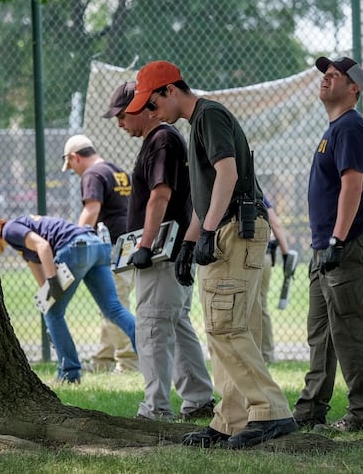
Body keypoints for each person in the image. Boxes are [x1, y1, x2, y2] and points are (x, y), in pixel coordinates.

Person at [126, 60, 297, 449]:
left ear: (170, 90)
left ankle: (271, 412)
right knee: (226, 329)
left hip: (235, 230)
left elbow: (228, 174)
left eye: (152, 104)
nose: (152, 115)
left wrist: (207, 232)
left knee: (227, 328)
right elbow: (205, 199)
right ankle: (230, 419)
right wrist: (188, 243)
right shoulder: (196, 124)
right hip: (222, 228)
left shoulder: (208, 116)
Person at [102, 81, 214, 421]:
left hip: (161, 252)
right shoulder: (165, 139)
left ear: (140, 108)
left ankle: (155, 410)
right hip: (173, 251)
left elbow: (160, 193)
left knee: (151, 328)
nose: (120, 123)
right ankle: (197, 400)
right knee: (177, 325)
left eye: (122, 115)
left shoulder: (161, 139)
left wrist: (145, 245)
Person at [292, 56, 363, 433]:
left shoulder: (349, 128)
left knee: (348, 328)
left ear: (353, 88)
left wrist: (337, 240)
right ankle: (311, 407)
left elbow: (352, 184)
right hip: (326, 246)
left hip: (342, 243)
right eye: (325, 75)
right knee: (322, 331)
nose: (326, 79)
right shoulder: (337, 127)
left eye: (335, 76)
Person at [0, 215, 137, 384]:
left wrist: (53, 281)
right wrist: (48, 294)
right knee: (113, 308)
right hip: (96, 246)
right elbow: (40, 276)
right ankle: (147, 350)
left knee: (54, 315)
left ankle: (69, 374)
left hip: (76, 248)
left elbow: (43, 246)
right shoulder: (21, 242)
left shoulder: (10, 229)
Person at [61, 133, 139, 373]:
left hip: (111, 246)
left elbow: (91, 210)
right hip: (129, 243)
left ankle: (128, 362)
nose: (73, 171)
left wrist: (74, 240)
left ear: (75, 158)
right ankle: (103, 361)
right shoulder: (117, 171)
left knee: (115, 304)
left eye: (71, 166)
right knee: (111, 302)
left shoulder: (93, 174)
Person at [258, 194, 293, 363]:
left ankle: (259, 353)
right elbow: (275, 223)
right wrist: (286, 253)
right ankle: (266, 354)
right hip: (262, 254)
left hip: (241, 254)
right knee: (260, 305)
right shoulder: (258, 193)